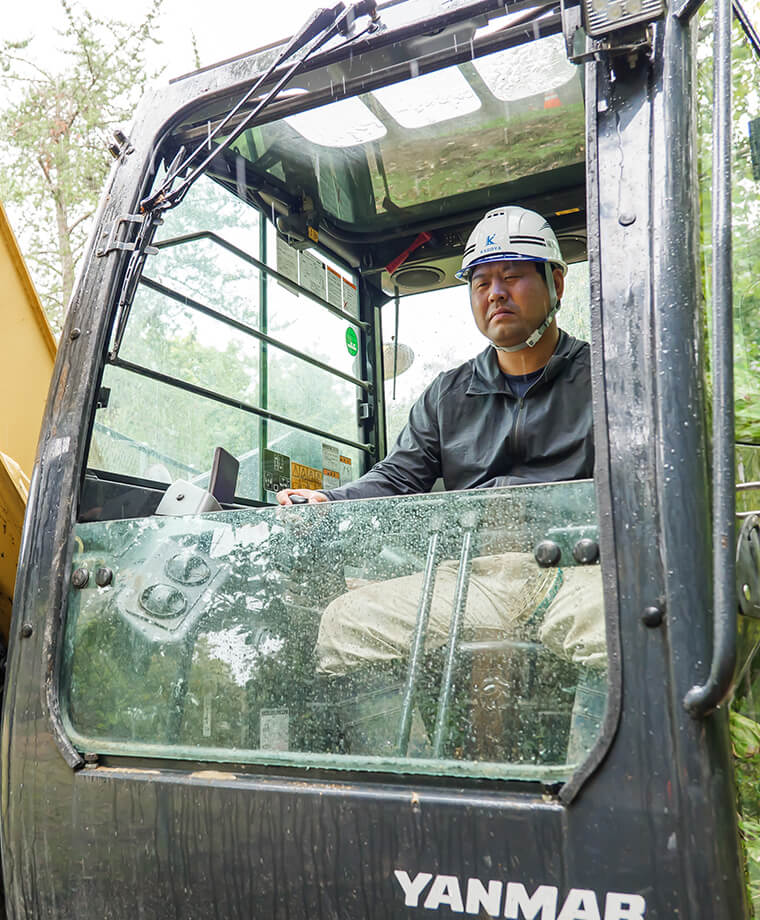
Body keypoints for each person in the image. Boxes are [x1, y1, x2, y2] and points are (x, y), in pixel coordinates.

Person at [276, 206, 604, 755]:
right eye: (481, 282)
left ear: (557, 282)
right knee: (345, 622)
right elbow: (398, 478)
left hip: (575, 568)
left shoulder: (606, 378)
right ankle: (409, 790)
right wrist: (329, 499)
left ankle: (598, 795)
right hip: (476, 577)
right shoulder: (448, 395)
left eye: (513, 275)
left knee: (613, 623)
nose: (495, 293)